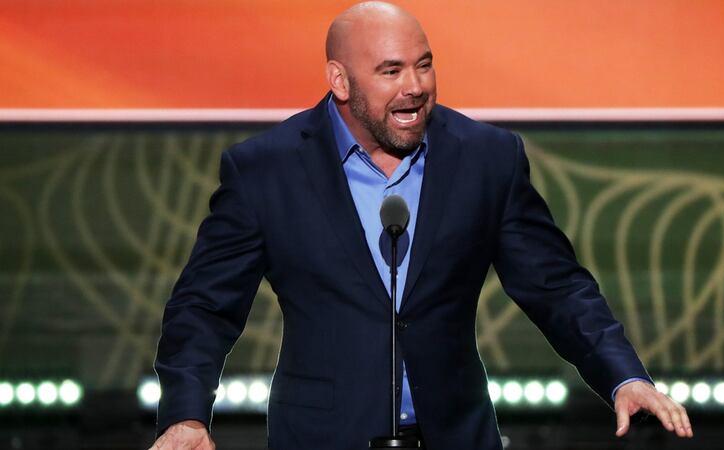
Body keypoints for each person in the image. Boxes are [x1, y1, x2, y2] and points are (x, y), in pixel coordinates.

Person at [148, 2, 692, 449]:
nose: (415, 87)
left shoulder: (486, 158)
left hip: (458, 435)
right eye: (391, 71)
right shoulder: (266, 170)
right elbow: (204, 306)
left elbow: (556, 285)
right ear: (339, 79)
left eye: (424, 64)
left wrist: (624, 375)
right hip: (322, 436)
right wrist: (186, 415)